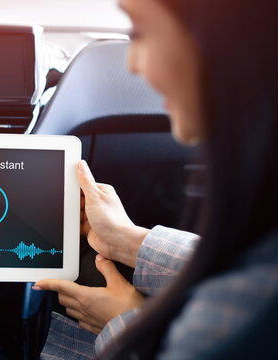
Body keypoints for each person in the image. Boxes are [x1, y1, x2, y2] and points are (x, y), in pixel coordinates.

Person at [34, 0, 278, 358]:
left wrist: (123, 323)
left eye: (141, 32)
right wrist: (129, 241)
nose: (132, 64)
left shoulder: (235, 314)